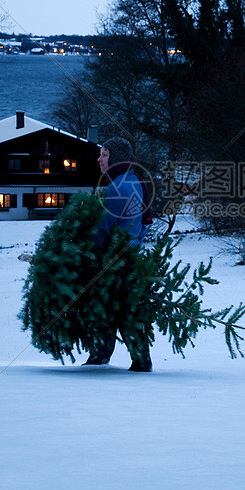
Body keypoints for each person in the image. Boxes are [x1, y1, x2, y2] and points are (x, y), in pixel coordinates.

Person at [84, 136, 153, 372]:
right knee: (124, 309)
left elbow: (101, 229)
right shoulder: (136, 182)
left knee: (111, 308)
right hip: (129, 259)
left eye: (104, 154)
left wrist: (88, 256)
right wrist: (135, 248)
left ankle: (101, 359)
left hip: (113, 262)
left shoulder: (118, 187)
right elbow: (144, 224)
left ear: (116, 158)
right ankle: (137, 360)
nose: (99, 159)